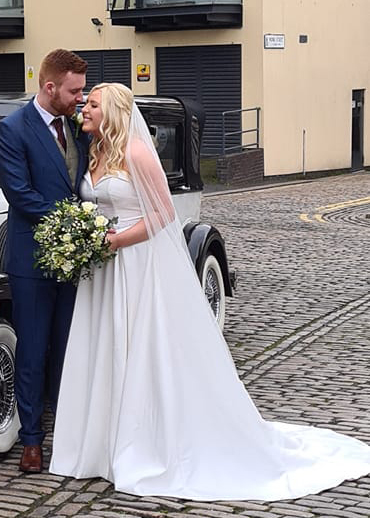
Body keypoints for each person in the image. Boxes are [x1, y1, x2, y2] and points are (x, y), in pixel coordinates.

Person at [48, 82, 370, 500]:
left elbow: (163, 213)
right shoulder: (94, 153)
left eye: (92, 104)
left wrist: (114, 241)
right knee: (106, 347)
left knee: (141, 347)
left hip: (136, 265)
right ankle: (101, 443)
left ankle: (144, 441)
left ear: (112, 112)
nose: (83, 109)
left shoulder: (136, 153)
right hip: (104, 272)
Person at [0, 49, 90, 473]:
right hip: (33, 259)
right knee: (32, 351)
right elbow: (20, 193)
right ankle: (31, 442)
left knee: (70, 350)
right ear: (49, 87)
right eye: (74, 91)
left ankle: (68, 435)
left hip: (77, 262)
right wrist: (75, 225)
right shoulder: (12, 128)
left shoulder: (79, 126)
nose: (80, 98)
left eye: (82, 90)